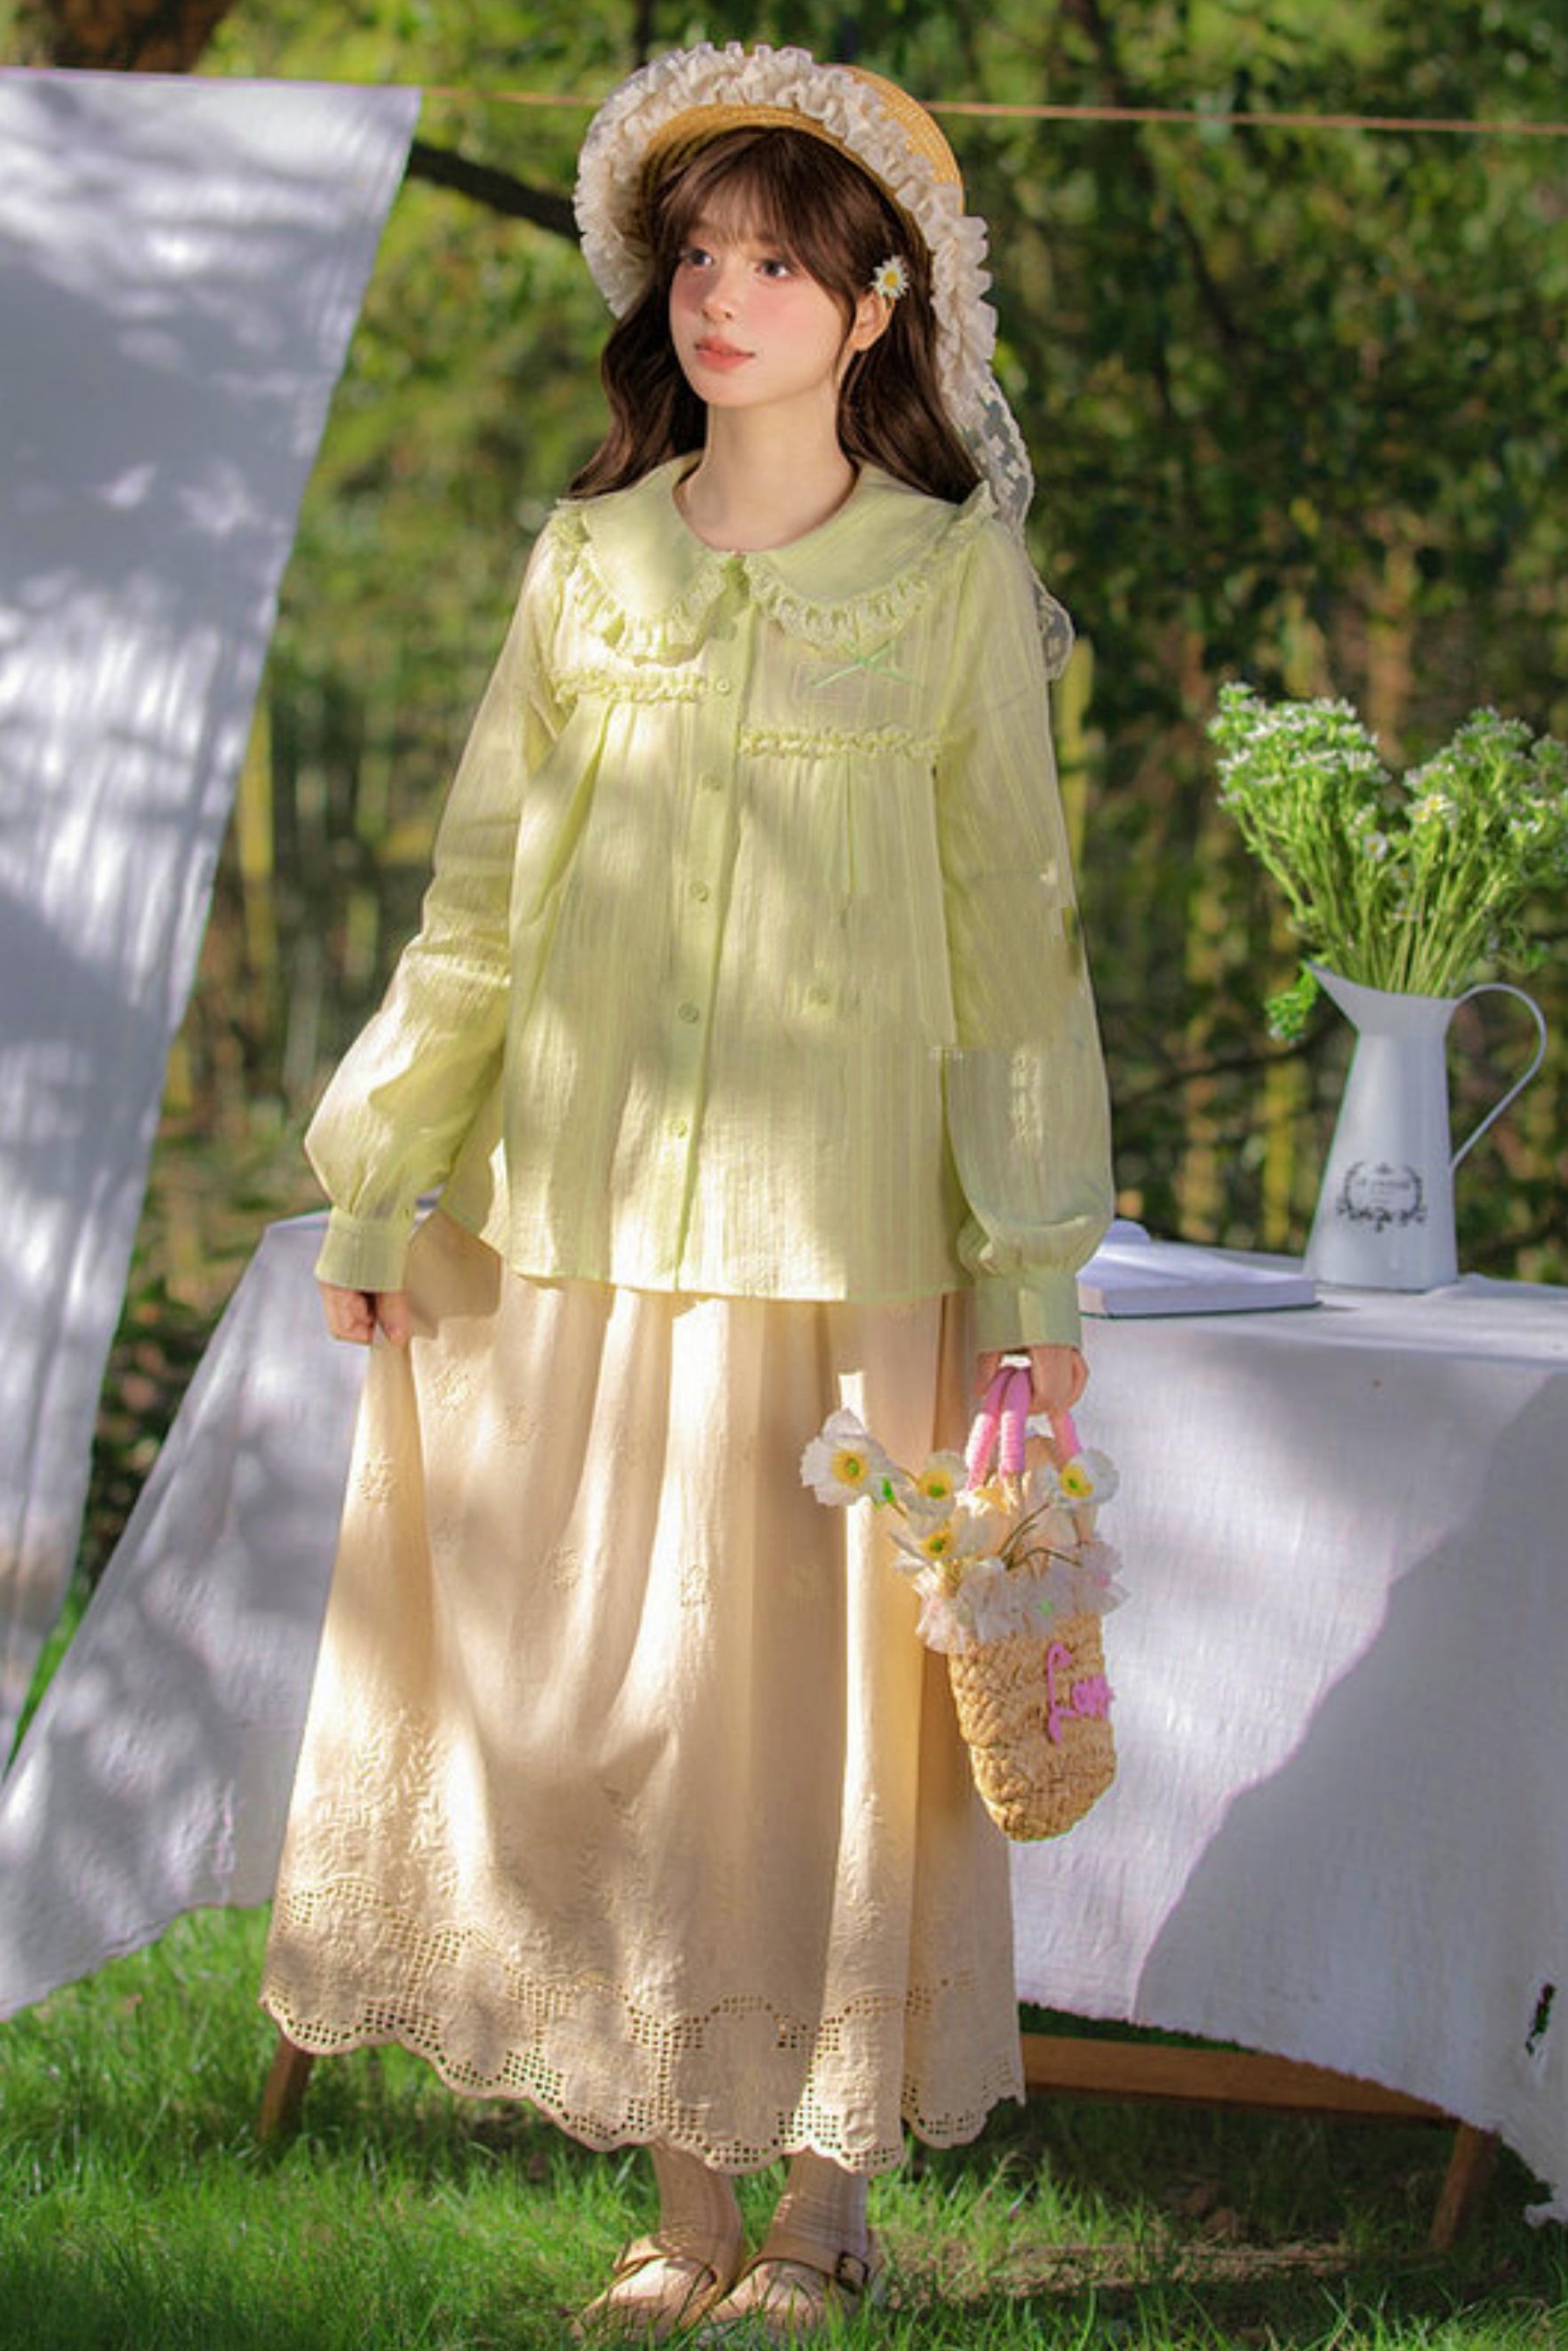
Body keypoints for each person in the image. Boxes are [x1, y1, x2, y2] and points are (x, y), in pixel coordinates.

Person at [260, 41, 1114, 2345]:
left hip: (856, 1252)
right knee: (628, 1714)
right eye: (701, 258)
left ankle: (820, 2212)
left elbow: (1014, 939)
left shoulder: (946, 580)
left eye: (779, 266)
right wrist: (380, 1180)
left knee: (824, 1735)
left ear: (874, 312)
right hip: (581, 1237)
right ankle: (680, 2206)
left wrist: (1031, 1270)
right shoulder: (589, 562)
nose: (723, 297)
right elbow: (476, 906)